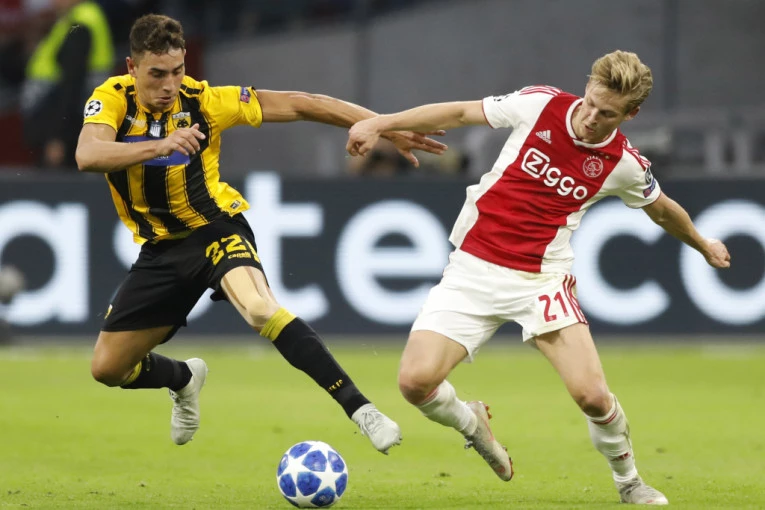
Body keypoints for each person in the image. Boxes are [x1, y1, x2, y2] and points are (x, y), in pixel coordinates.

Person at [346, 50, 731, 504]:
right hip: (472, 268)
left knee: (592, 396)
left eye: (606, 114)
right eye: (590, 102)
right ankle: (473, 424)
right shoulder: (541, 104)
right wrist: (382, 123)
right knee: (414, 383)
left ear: (631, 114)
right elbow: (462, 113)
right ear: (586, 87)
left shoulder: (623, 163)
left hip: (540, 281)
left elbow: (662, 209)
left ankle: (630, 483)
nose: (590, 117)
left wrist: (703, 243)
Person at [75, 14, 446, 454]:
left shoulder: (205, 100)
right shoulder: (112, 98)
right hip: (161, 250)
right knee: (108, 369)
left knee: (258, 309)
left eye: (177, 71)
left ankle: (361, 409)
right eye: (157, 74)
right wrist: (161, 146)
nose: (169, 85)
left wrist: (382, 126)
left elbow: (302, 103)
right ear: (131, 67)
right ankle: (184, 377)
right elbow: (88, 155)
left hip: (215, 229)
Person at [22, 0, 114, 169]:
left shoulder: (81, 24)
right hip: (70, 122)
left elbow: (71, 86)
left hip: (66, 127)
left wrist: (58, 137)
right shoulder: (77, 18)